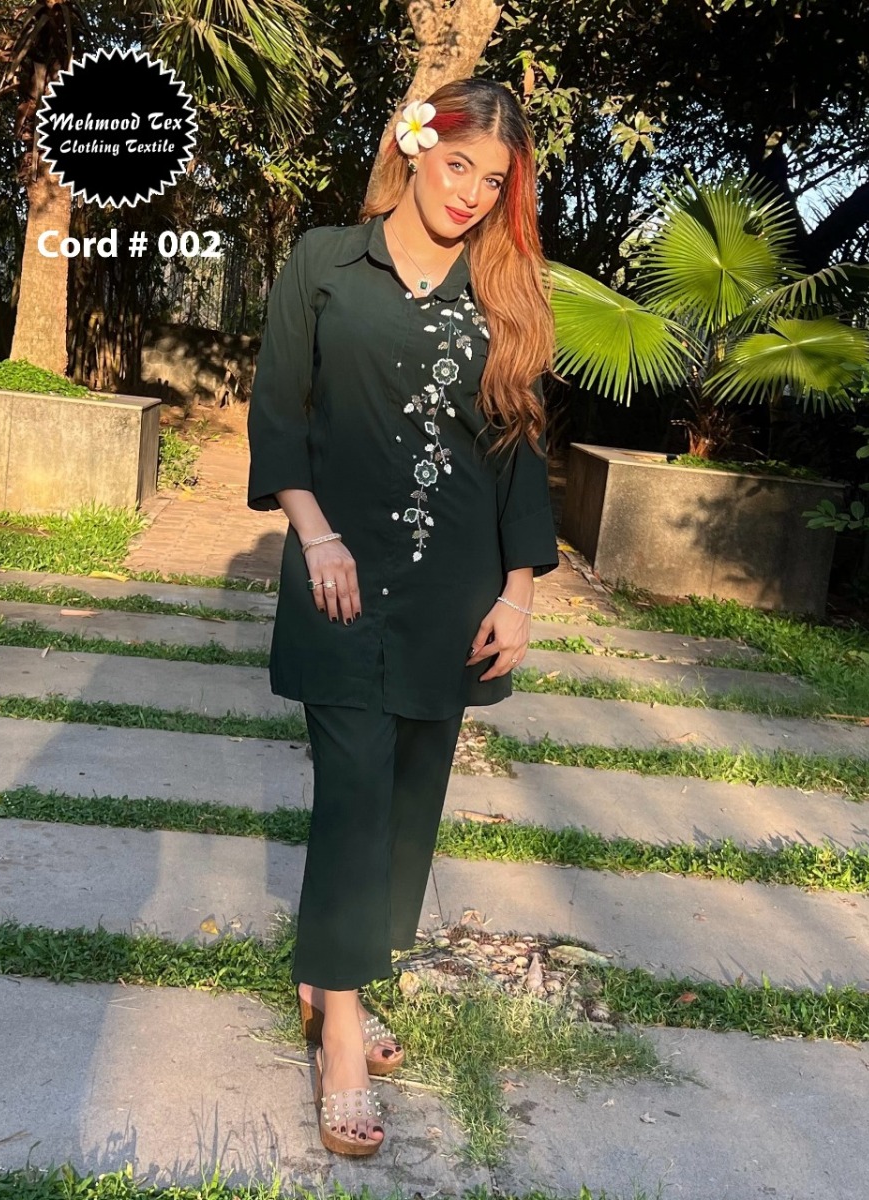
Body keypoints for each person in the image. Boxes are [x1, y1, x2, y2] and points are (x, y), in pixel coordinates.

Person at [246, 76, 559, 1157]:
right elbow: (279, 410)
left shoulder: (506, 292)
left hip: (451, 594)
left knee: (411, 803)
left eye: (494, 179)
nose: (470, 192)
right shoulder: (324, 264)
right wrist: (315, 534)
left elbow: (518, 452)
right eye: (458, 163)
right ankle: (339, 1033)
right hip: (338, 578)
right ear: (415, 146)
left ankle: (331, 976)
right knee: (352, 793)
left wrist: (519, 592)